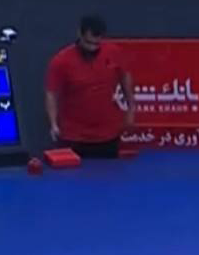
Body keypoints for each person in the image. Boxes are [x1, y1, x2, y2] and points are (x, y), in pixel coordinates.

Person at [44, 15, 134, 158]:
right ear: (79, 34)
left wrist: (131, 109)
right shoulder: (61, 61)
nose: (92, 48)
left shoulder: (114, 53)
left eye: (97, 44)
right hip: (74, 137)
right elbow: (51, 93)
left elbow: (125, 78)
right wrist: (53, 124)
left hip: (107, 135)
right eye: (88, 43)